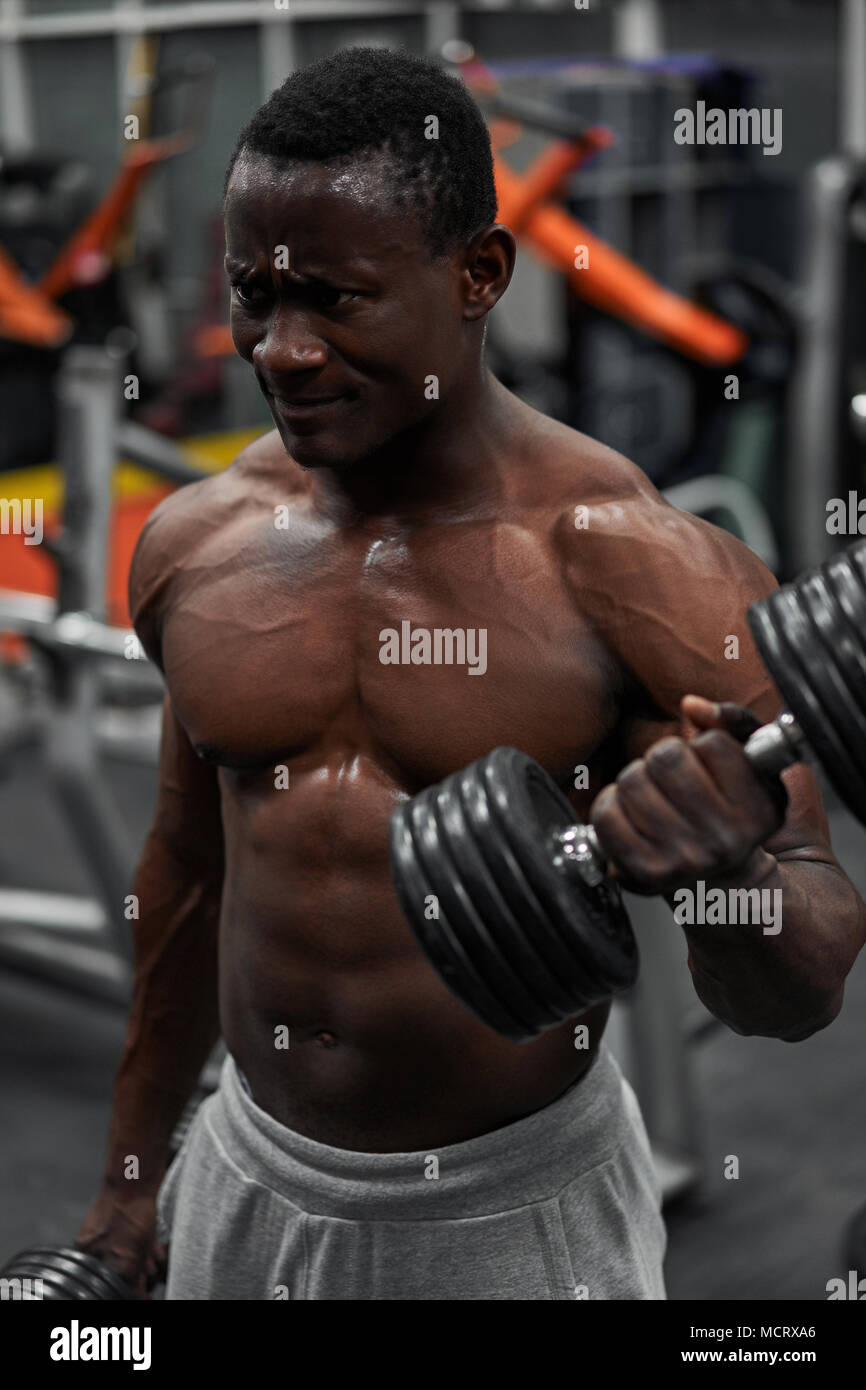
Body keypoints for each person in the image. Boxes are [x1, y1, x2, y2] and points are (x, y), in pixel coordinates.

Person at [76, 46, 865, 1301]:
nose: (278, 351)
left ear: (478, 274)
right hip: (245, 1174)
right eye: (250, 294)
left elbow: (803, 979)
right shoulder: (198, 542)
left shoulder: (632, 562)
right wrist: (130, 1185)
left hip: (516, 1218)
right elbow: (183, 873)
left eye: (334, 300)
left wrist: (730, 871)